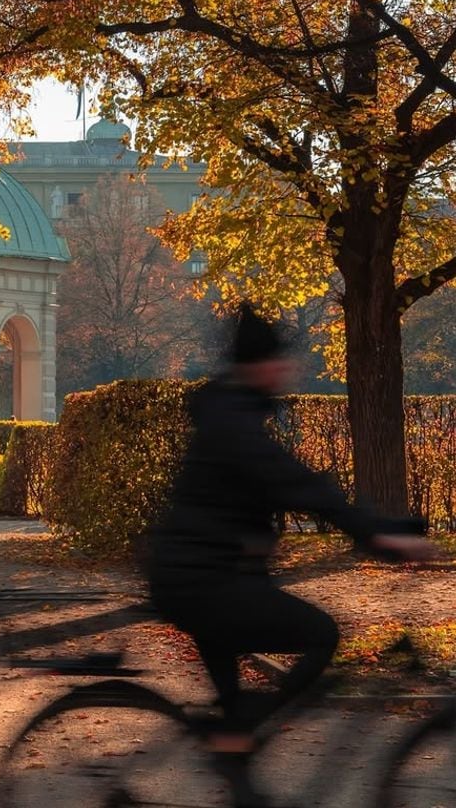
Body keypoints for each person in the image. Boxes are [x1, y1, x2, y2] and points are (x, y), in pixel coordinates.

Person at [147, 305, 437, 802]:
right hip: (202, 580)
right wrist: (377, 535)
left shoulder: (231, 411)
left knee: (235, 729)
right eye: (278, 359)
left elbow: (294, 484)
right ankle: (238, 736)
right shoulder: (235, 423)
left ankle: (238, 765)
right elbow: (296, 483)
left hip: (197, 575)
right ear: (257, 365)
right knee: (321, 634)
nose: (287, 369)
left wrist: (383, 528)